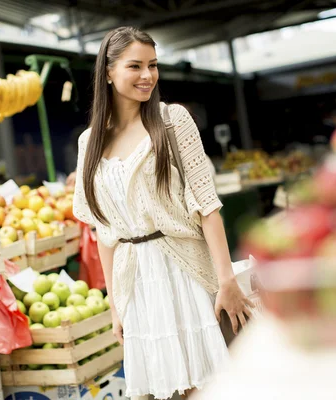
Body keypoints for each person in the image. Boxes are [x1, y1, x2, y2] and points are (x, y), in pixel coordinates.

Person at [72, 27, 253, 400]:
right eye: (135, 66)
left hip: (185, 273)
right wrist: (115, 305)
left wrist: (226, 282)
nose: (147, 76)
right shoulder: (89, 142)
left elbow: (207, 205)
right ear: (108, 72)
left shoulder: (172, 121)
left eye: (153, 66)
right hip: (136, 284)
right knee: (162, 392)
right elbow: (104, 232)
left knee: (212, 386)